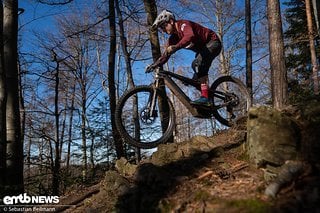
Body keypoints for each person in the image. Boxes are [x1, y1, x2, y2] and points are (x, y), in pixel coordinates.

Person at [147, 9, 222, 106]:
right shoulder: (173, 38)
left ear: (171, 21)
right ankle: (208, 96)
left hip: (213, 43)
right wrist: (155, 65)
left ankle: (206, 98)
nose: (164, 30)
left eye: (164, 26)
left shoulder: (183, 25)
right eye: (162, 29)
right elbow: (166, 55)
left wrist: (176, 47)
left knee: (197, 64)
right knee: (195, 76)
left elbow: (189, 36)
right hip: (203, 50)